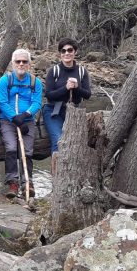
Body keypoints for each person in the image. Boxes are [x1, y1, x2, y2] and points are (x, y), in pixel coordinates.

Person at [0, 49, 43, 199]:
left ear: (29, 64)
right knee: (10, 148)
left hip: (27, 121)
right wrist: (15, 117)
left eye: (24, 61)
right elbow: (2, 102)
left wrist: (25, 115)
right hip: (8, 121)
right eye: (18, 61)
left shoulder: (35, 82)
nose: (21, 64)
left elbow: (37, 102)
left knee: (27, 152)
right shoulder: (5, 80)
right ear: (12, 63)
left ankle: (27, 183)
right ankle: (13, 183)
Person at [43, 38, 91, 174]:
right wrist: (66, 87)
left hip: (74, 112)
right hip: (54, 111)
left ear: (75, 52)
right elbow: (49, 95)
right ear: (60, 54)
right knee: (58, 141)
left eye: (70, 50)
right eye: (63, 51)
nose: (66, 53)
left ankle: (73, 176)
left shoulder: (82, 71)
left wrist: (76, 87)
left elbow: (87, 95)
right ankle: (57, 179)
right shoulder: (54, 71)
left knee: (75, 145)